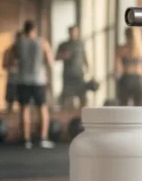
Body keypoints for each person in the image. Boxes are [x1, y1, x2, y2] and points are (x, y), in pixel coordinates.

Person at [6, 20, 55, 149]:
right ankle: (43, 138)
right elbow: (50, 63)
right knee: (43, 108)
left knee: (24, 109)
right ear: (34, 29)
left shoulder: (18, 43)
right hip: (39, 80)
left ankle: (26, 140)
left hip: (23, 80)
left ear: (24, 29)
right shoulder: (43, 42)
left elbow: (9, 62)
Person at [114, 26, 142, 106]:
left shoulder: (121, 49)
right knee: (138, 107)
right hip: (139, 80)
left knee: (123, 107)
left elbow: (117, 69)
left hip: (126, 79)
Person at [56, 25, 89, 110]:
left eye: (75, 31)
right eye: (71, 31)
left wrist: (88, 67)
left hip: (79, 74)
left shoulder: (81, 44)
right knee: (67, 97)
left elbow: (84, 56)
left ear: (78, 32)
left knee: (82, 96)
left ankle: (83, 114)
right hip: (68, 74)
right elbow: (56, 57)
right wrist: (63, 55)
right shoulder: (63, 45)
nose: (73, 33)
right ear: (69, 32)